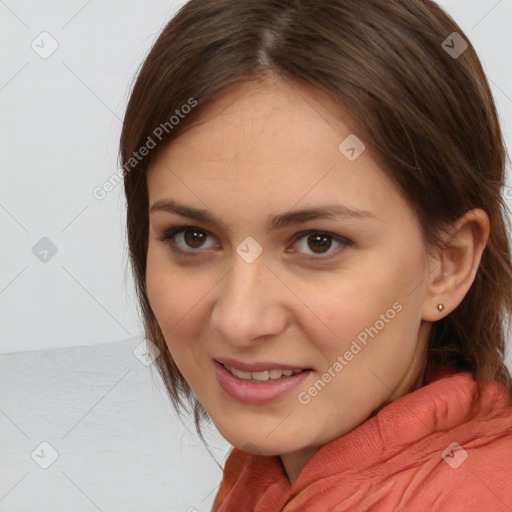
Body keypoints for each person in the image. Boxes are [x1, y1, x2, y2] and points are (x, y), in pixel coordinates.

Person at [119, 0, 512, 509]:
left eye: (317, 242)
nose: (239, 321)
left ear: (447, 265)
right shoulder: (275, 475)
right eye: (193, 237)